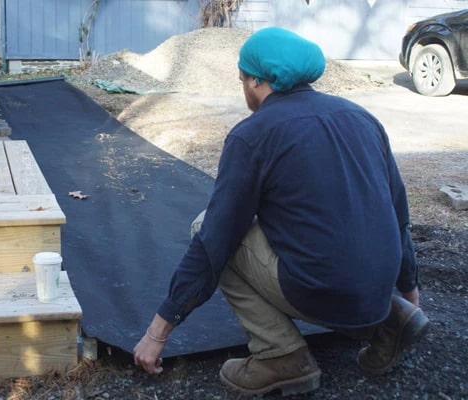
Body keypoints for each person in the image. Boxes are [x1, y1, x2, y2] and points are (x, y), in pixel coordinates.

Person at [133, 27, 429, 397]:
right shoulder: (361, 118)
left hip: (323, 294)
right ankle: (395, 317)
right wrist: (408, 290)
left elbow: (214, 241)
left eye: (242, 79)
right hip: (375, 292)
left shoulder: (253, 135)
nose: (243, 88)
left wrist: (157, 331)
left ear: (257, 81)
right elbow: (399, 213)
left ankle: (280, 356)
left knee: (204, 226)